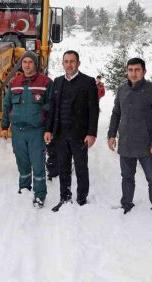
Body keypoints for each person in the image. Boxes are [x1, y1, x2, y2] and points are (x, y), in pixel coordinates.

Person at [107, 57, 152, 216]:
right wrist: (111, 134)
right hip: (125, 142)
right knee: (127, 177)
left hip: (147, 145)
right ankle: (126, 203)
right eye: (130, 70)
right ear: (127, 71)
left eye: (137, 70)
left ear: (144, 71)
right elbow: (116, 114)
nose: (133, 73)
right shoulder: (122, 90)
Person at [44, 50, 99, 210]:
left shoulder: (88, 82)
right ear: (62, 64)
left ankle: (82, 198)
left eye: (72, 61)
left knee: (81, 167)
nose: (69, 64)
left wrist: (91, 133)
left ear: (78, 63)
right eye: (66, 61)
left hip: (79, 135)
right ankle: (65, 197)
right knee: (63, 167)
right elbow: (53, 108)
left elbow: (93, 110)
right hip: (61, 133)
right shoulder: (58, 81)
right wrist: (48, 130)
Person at [1, 51, 53, 208]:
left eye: (30, 62)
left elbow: (51, 108)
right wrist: (4, 126)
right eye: (25, 62)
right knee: (22, 162)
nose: (27, 65)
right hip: (18, 131)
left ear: (35, 64)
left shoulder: (45, 82)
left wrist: (48, 129)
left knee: (38, 163)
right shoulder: (14, 82)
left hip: (37, 131)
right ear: (21, 64)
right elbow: (7, 105)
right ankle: (24, 188)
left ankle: (39, 194)